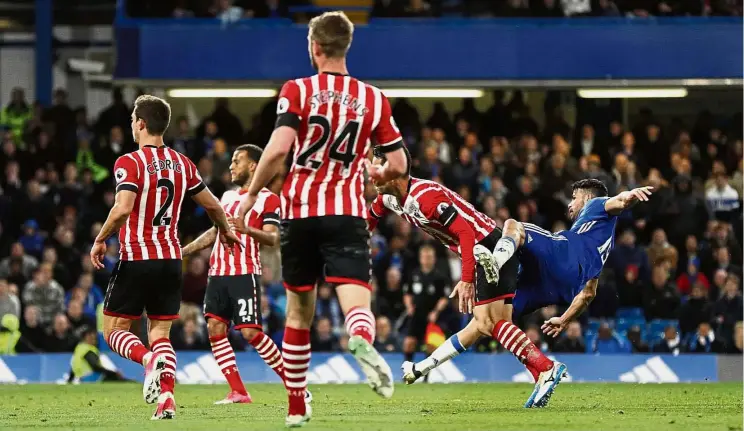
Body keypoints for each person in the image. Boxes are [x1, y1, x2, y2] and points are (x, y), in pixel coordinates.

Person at [233, 11, 409, 427]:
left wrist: (252, 194)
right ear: (347, 47)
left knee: (298, 314)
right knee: (354, 297)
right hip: (346, 213)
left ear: (314, 48)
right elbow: (399, 162)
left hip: (299, 214)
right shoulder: (373, 98)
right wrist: (380, 173)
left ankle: (296, 409)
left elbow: (277, 148)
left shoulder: (297, 90)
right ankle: (363, 339)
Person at [367, 148, 558, 409]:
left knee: (487, 322)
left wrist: (467, 279)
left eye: (376, 168)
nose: (371, 173)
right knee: (490, 324)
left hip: (486, 248)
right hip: (486, 246)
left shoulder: (426, 198)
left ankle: (546, 367)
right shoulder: (391, 198)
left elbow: (466, 233)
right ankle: (541, 372)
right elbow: (371, 216)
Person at [89, 95, 240, 420]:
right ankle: (166, 400)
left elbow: (124, 207)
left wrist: (100, 239)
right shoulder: (183, 163)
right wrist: (226, 230)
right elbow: (213, 205)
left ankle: (146, 361)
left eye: (132, 120)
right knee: (160, 334)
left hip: (138, 257)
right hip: (171, 260)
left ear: (141, 124)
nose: (132, 125)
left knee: (113, 330)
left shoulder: (129, 162)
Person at [474, 178, 653, 407]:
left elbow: (618, 201)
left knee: (513, 226)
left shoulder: (595, 204)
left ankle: (496, 261)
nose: (570, 204)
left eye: (574, 198)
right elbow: (589, 294)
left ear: (587, 198)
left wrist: (630, 196)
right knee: (500, 318)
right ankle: (542, 372)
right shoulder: (600, 240)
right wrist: (564, 319)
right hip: (563, 288)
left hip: (563, 258)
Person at [182, 144, 310, 405]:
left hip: (244, 272)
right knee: (215, 328)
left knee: (251, 332)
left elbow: (273, 237)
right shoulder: (227, 197)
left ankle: (296, 386)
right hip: (217, 274)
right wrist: (185, 251)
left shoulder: (268, 200)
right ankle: (238, 391)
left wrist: (246, 230)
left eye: (237, 161)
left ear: (253, 166)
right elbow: (216, 231)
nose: (231, 166)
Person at [66, 326, 131, 383]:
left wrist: (69, 381)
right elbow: (95, 366)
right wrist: (114, 373)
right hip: (92, 379)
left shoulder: (79, 349)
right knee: (123, 382)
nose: (94, 336)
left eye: (93, 334)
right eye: (90, 334)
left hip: (82, 380)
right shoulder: (88, 349)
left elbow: (73, 368)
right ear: (85, 337)